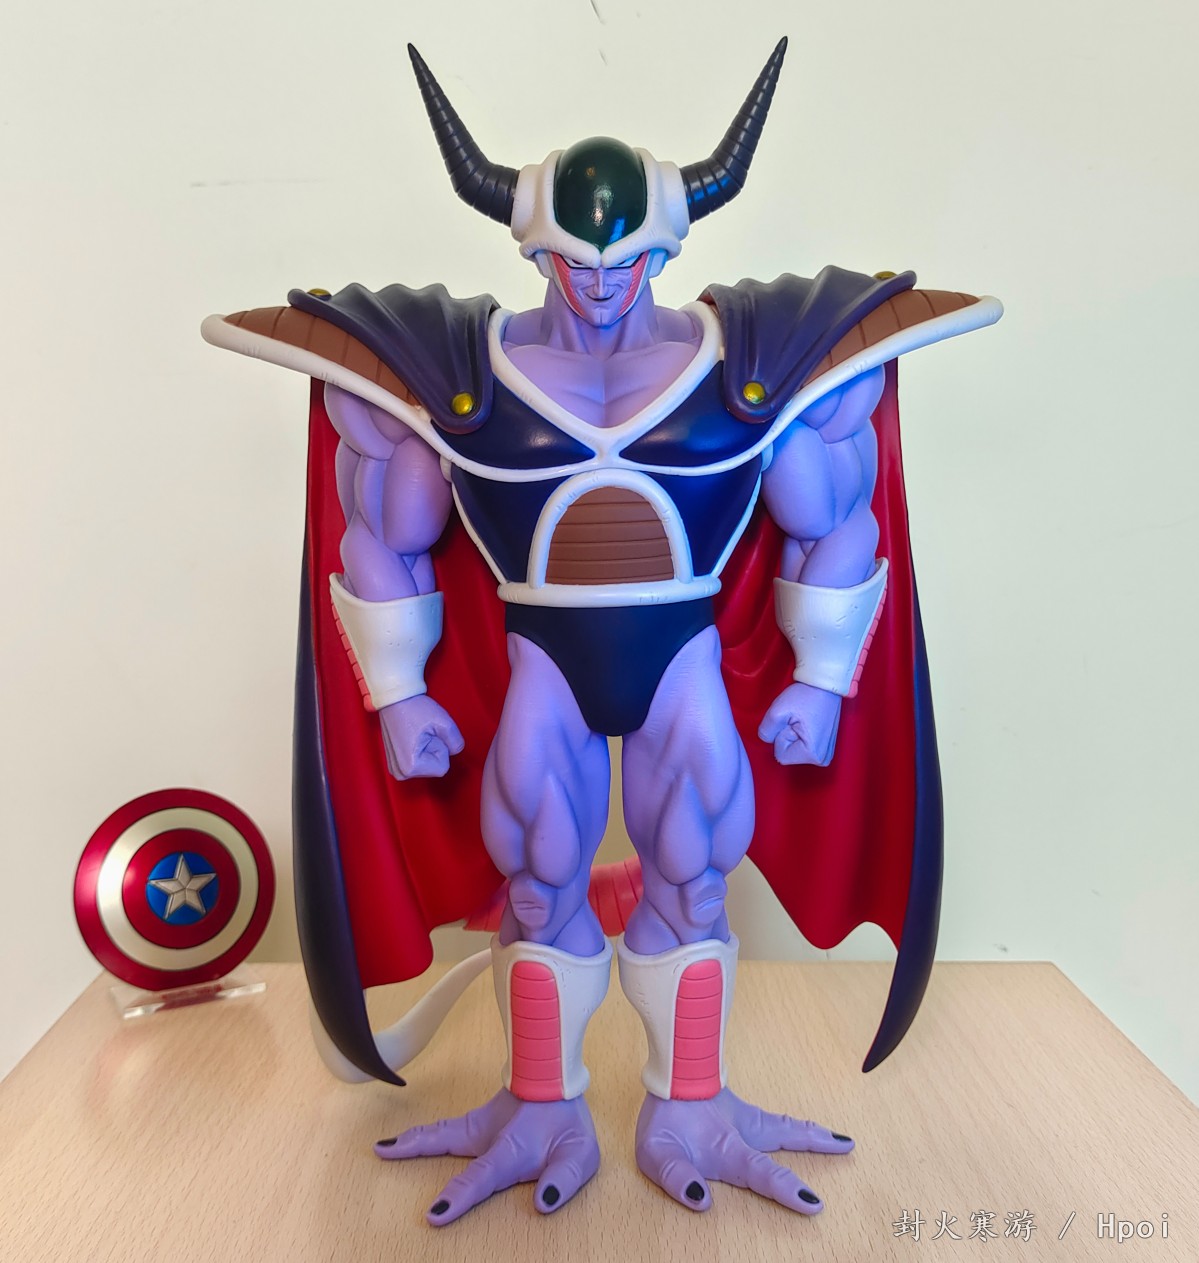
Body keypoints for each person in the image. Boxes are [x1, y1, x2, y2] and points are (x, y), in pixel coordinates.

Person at [202, 38, 1001, 1225]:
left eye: (627, 258)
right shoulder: (454, 371)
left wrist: (823, 679)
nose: (601, 280)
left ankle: (690, 1106)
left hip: (684, 666)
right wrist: (400, 694)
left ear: (669, 247)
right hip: (542, 666)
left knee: (693, 882)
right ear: (532, 250)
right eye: (575, 260)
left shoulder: (754, 363)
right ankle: (542, 1106)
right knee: (538, 888)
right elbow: (384, 534)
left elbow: (835, 518)